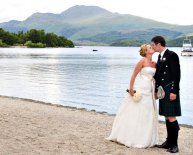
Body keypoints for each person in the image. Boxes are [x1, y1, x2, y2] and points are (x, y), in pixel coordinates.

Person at [106, 44, 159, 148]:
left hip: (150, 90)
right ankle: (130, 136)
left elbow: (155, 78)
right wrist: (131, 89)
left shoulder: (155, 63)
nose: (151, 48)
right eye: (149, 47)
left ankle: (145, 137)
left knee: (147, 113)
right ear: (146, 51)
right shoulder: (142, 61)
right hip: (140, 88)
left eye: (151, 47)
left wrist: (156, 92)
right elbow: (134, 75)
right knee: (136, 111)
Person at [151, 36, 181, 153]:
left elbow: (176, 75)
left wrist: (174, 91)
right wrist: (155, 90)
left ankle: (175, 145)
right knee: (166, 116)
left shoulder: (172, 55)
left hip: (169, 90)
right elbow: (158, 75)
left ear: (159, 44)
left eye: (153, 45)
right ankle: (168, 142)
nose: (152, 47)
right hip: (163, 90)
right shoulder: (160, 56)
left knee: (171, 116)